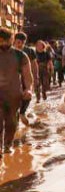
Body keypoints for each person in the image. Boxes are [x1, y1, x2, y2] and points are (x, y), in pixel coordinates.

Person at [0, 28, 32, 157]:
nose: (3, 43)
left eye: (5, 40)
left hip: (14, 95)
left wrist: (28, 89)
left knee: (11, 122)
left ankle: (7, 144)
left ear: (11, 40)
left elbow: (27, 75)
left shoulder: (20, 55)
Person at [14, 32, 38, 126]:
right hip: (13, 79)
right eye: (18, 42)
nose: (20, 45)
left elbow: (34, 64)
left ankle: (22, 112)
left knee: (27, 96)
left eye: (22, 43)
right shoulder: (8, 51)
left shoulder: (29, 51)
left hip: (26, 77)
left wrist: (36, 77)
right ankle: (16, 124)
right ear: (14, 41)